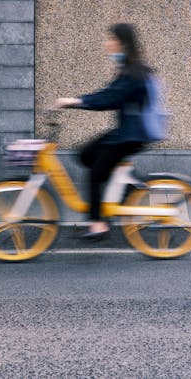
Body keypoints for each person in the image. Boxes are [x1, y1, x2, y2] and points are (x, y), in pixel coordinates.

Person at [55, 23, 151, 240]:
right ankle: (126, 185)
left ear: (122, 43)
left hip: (132, 135)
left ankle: (98, 224)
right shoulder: (129, 68)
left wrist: (75, 102)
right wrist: (79, 101)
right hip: (127, 132)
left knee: (95, 172)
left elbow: (109, 98)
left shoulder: (134, 72)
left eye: (111, 39)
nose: (106, 44)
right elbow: (108, 93)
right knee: (85, 154)